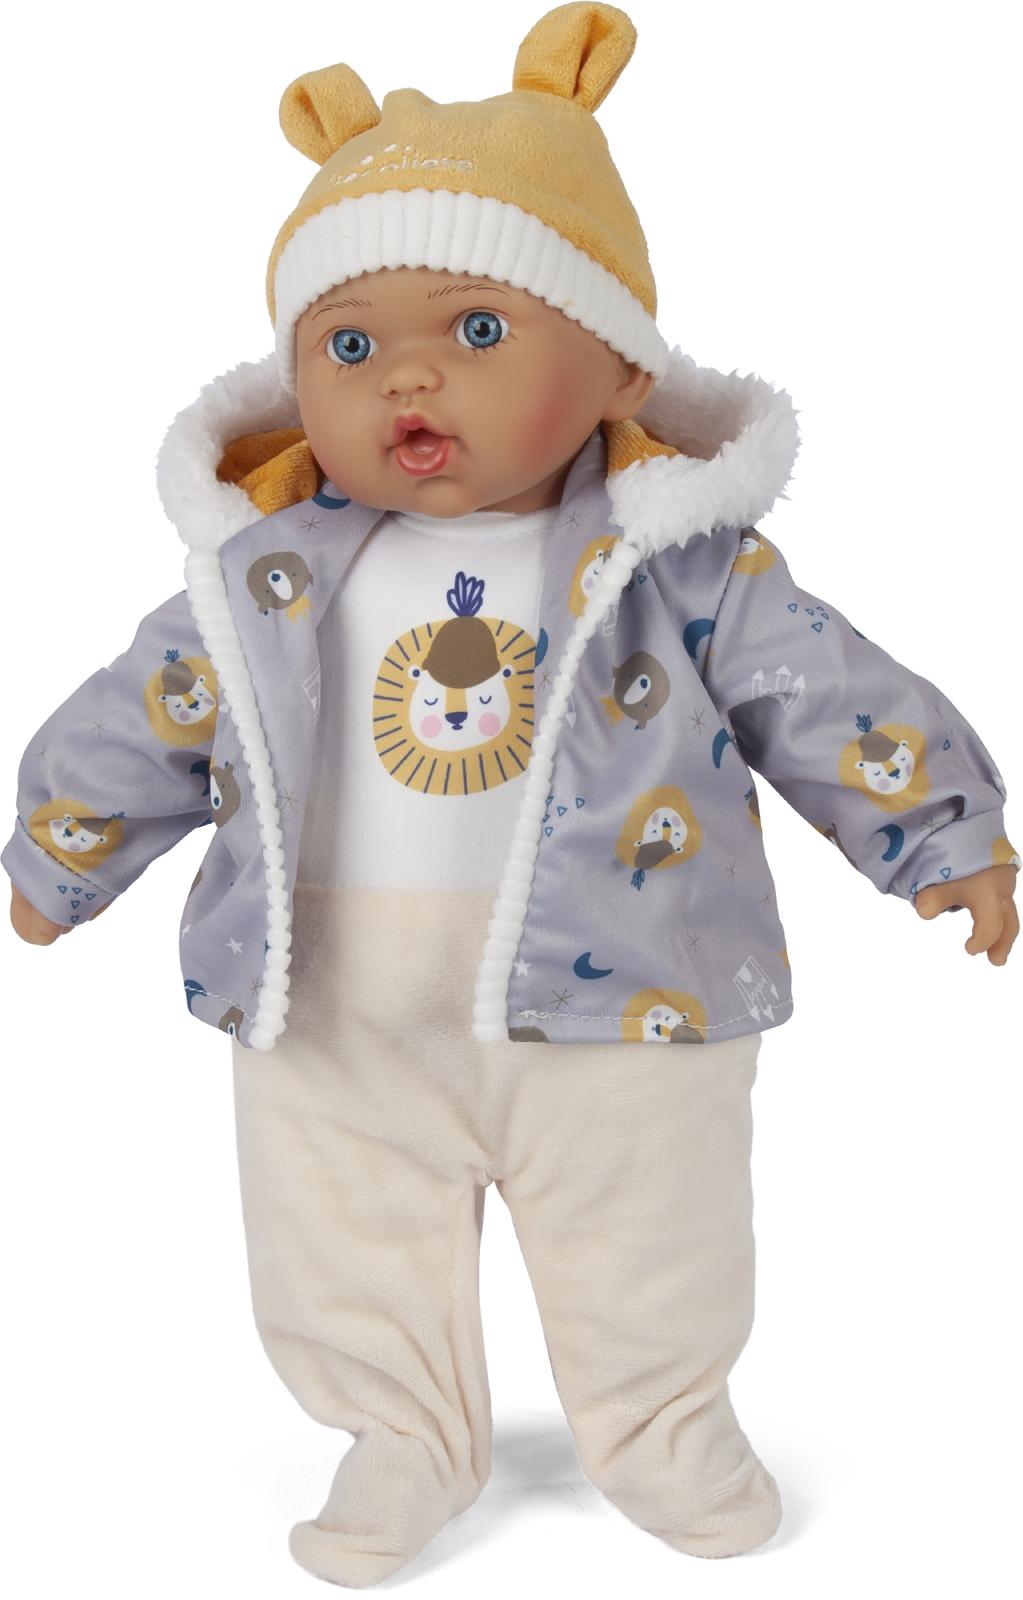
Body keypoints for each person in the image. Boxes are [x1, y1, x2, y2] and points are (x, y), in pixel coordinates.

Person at [4, 3, 1018, 1588]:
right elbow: (147, 716)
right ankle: (397, 1431)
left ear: (616, 361)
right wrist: (59, 853)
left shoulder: (678, 563)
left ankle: (663, 1420)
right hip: (334, 1004)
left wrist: (944, 832)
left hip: (630, 991)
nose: (407, 373)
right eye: (349, 346)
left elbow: (824, 690)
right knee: (337, 1235)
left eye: (478, 328)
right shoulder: (264, 573)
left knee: (654, 1227)